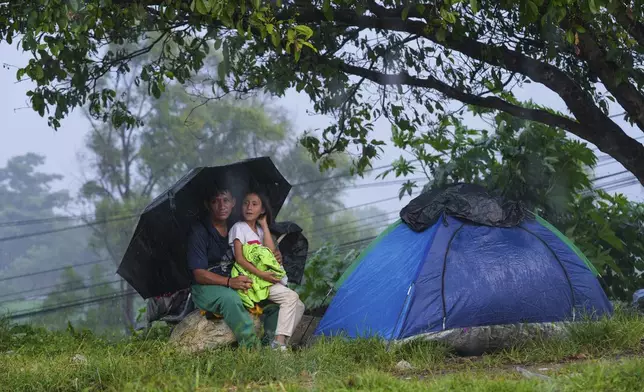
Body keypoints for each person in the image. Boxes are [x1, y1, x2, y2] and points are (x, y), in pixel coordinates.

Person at [186, 185, 281, 348]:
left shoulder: (237, 226)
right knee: (231, 299)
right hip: (207, 287)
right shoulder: (199, 232)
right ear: (208, 205)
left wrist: (273, 256)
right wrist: (229, 282)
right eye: (215, 201)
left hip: (238, 279)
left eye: (226, 200)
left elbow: (256, 249)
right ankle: (251, 349)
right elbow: (199, 274)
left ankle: (270, 346)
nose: (221, 206)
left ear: (233, 203)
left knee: (272, 299)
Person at [229, 191, 305, 350]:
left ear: (262, 210)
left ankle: (278, 343)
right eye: (246, 203)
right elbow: (240, 258)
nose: (249, 207)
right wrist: (262, 273)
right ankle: (278, 344)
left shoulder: (261, 230)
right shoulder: (239, 228)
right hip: (253, 280)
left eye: (254, 204)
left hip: (265, 279)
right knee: (291, 297)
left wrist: (264, 224)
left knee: (299, 306)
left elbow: (270, 252)